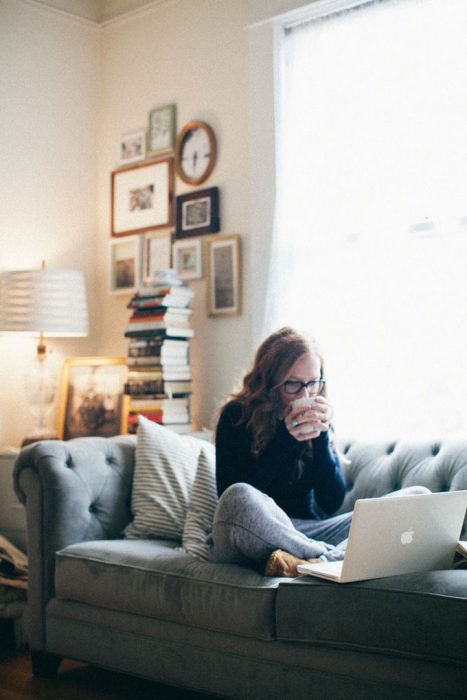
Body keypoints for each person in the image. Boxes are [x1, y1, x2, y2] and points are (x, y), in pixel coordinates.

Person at [211, 327, 429, 578]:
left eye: (313, 383)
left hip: (307, 532)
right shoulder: (236, 416)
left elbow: (331, 502)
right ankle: (333, 558)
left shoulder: (320, 418)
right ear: (270, 382)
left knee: (418, 497)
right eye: (293, 384)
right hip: (253, 530)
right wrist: (285, 439)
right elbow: (231, 493)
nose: (306, 394)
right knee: (238, 497)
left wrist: (321, 437)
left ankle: (310, 560)